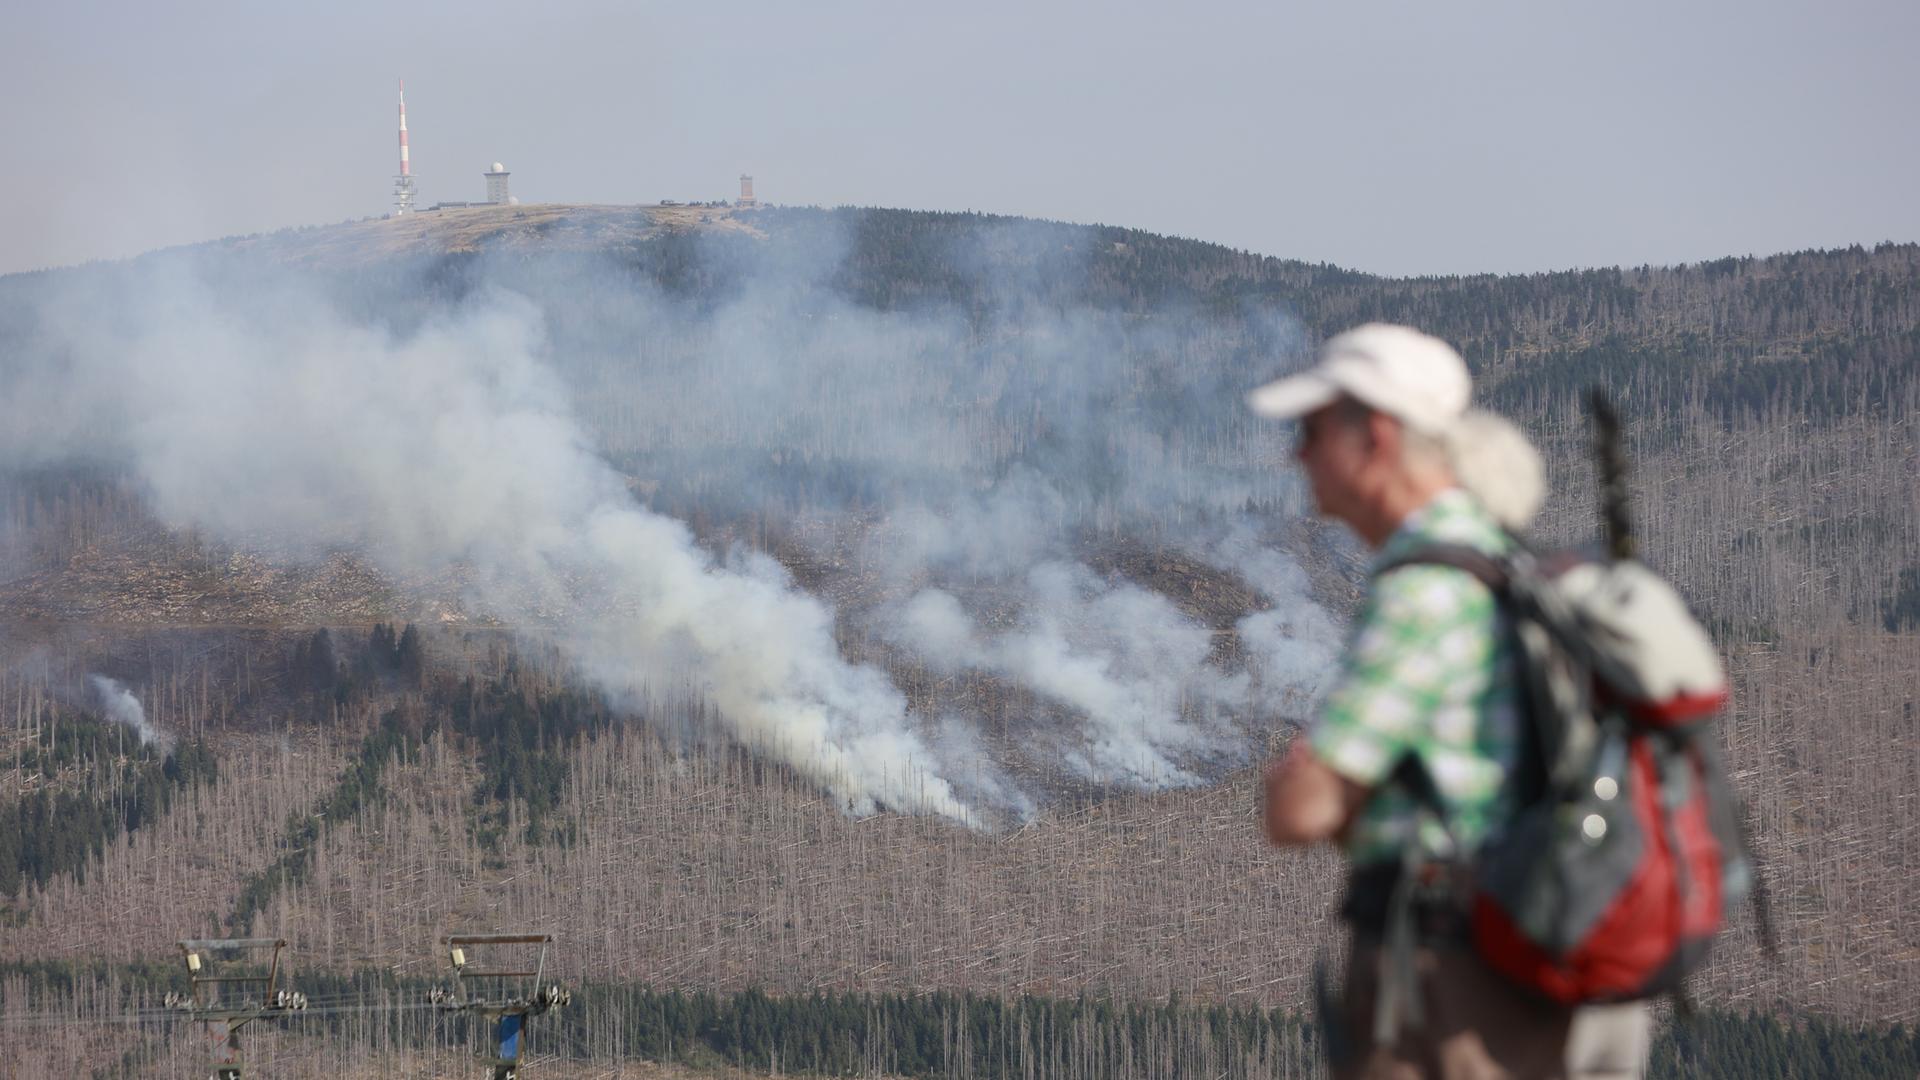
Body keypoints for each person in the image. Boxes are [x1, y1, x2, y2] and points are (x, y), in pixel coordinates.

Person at [1250, 323, 1642, 1080]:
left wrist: (1301, 781)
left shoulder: (1425, 589)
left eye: (1312, 429)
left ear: (1378, 436)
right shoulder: (1500, 559)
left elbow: (1300, 811)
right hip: (1515, 954)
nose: (1296, 455)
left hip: (1450, 980)